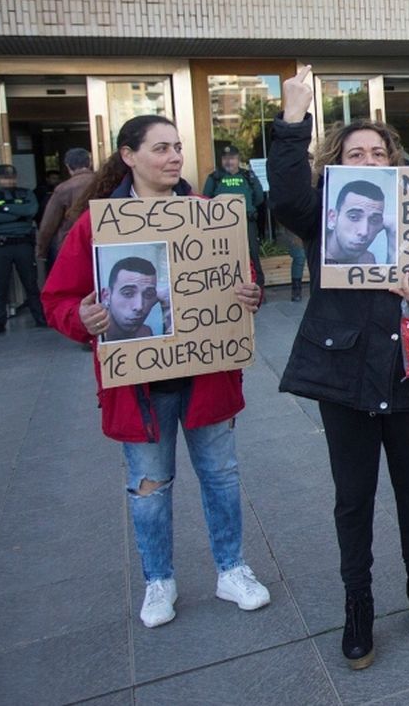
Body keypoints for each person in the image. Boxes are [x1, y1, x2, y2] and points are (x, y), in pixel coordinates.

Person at [41, 114, 271, 630]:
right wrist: (81, 318)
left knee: (221, 477)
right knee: (149, 487)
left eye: (177, 147)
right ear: (129, 156)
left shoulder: (208, 214)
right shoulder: (97, 225)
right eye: (161, 148)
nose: (174, 157)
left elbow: (242, 278)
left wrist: (249, 293)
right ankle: (159, 580)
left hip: (207, 380)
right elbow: (58, 299)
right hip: (138, 389)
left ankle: (232, 569)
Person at [271, 65, 409, 670]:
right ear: (337, 164)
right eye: (356, 153)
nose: (370, 160)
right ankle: (359, 602)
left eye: (379, 153)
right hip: (344, 375)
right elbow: (286, 196)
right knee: (353, 498)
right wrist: (292, 120)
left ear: (395, 161)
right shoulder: (322, 215)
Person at [0, 164, 45, 335]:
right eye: (4, 178)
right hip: (0, 245)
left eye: (11, 177)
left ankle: (40, 318)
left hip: (23, 243)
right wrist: (19, 214)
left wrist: (4, 208)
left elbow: (31, 210)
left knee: (31, 283)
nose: (8, 181)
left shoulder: (26, 193)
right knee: (0, 286)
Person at [203, 145, 267, 282]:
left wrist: (247, 209)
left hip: (246, 222)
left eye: (232, 158)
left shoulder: (248, 176)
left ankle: (258, 287)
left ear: (238, 160)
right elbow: (205, 201)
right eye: (225, 158)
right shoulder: (215, 178)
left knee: (253, 255)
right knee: (224, 256)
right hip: (222, 225)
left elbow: (259, 198)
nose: (228, 162)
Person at [37, 148, 95, 268]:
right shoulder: (105, 182)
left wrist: (42, 251)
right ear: (90, 163)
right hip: (101, 241)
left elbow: (49, 224)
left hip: (72, 244)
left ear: (67, 166)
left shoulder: (63, 189)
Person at [100, 256, 169, 340]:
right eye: (128, 293)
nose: (139, 306)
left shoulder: (145, 333)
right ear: (106, 296)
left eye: (148, 294)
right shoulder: (96, 336)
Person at [323, 179, 391, 265]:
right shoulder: (316, 248)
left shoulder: (367, 259)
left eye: (374, 220)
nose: (364, 232)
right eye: (353, 217)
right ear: (332, 218)